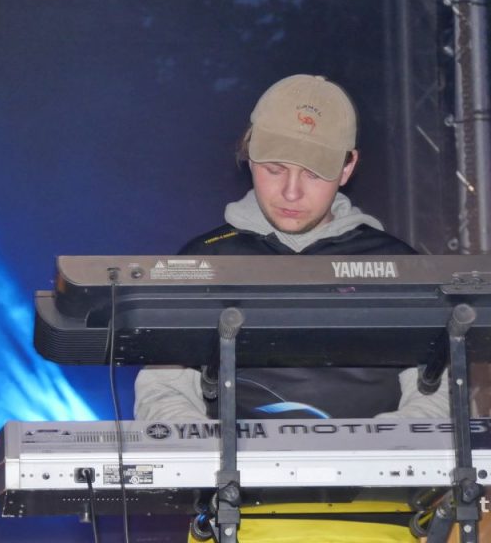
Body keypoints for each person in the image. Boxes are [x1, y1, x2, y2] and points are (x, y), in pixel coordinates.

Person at [133, 74, 449, 542]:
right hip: (236, 523)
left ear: (348, 167)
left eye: (314, 173)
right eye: (275, 168)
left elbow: (440, 400)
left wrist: (361, 456)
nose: (292, 193)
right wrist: (225, 457)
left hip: (376, 525)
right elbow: (161, 394)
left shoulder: (400, 267)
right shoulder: (201, 263)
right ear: (248, 154)